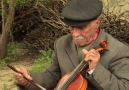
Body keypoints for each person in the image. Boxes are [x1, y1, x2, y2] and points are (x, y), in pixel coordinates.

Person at [14, 0, 129, 90]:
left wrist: (96, 69)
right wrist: (28, 79)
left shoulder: (118, 50)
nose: (75, 34)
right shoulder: (61, 44)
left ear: (97, 23)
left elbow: (124, 87)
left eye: (82, 27)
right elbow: (52, 76)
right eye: (71, 27)